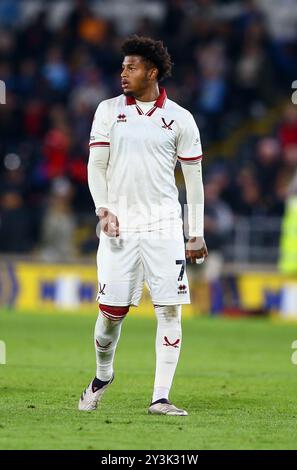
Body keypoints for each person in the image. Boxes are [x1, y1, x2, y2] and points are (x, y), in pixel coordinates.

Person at [78, 35, 208, 416]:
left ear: (152, 72)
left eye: (131, 67)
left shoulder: (180, 119)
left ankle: (160, 397)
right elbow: (95, 167)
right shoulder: (107, 111)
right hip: (119, 227)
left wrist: (195, 231)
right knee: (109, 318)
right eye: (122, 67)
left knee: (170, 310)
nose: (123, 73)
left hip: (164, 226)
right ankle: (103, 375)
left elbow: (194, 179)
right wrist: (104, 210)